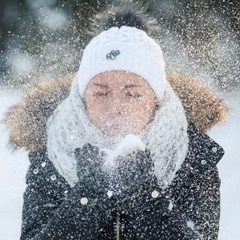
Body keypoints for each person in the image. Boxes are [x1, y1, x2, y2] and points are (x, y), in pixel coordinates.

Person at [6, 10, 227, 240]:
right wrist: (87, 198)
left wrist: (145, 196)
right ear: (82, 99)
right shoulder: (53, 154)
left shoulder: (193, 157)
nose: (115, 108)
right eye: (100, 94)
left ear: (157, 100)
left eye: (132, 94)